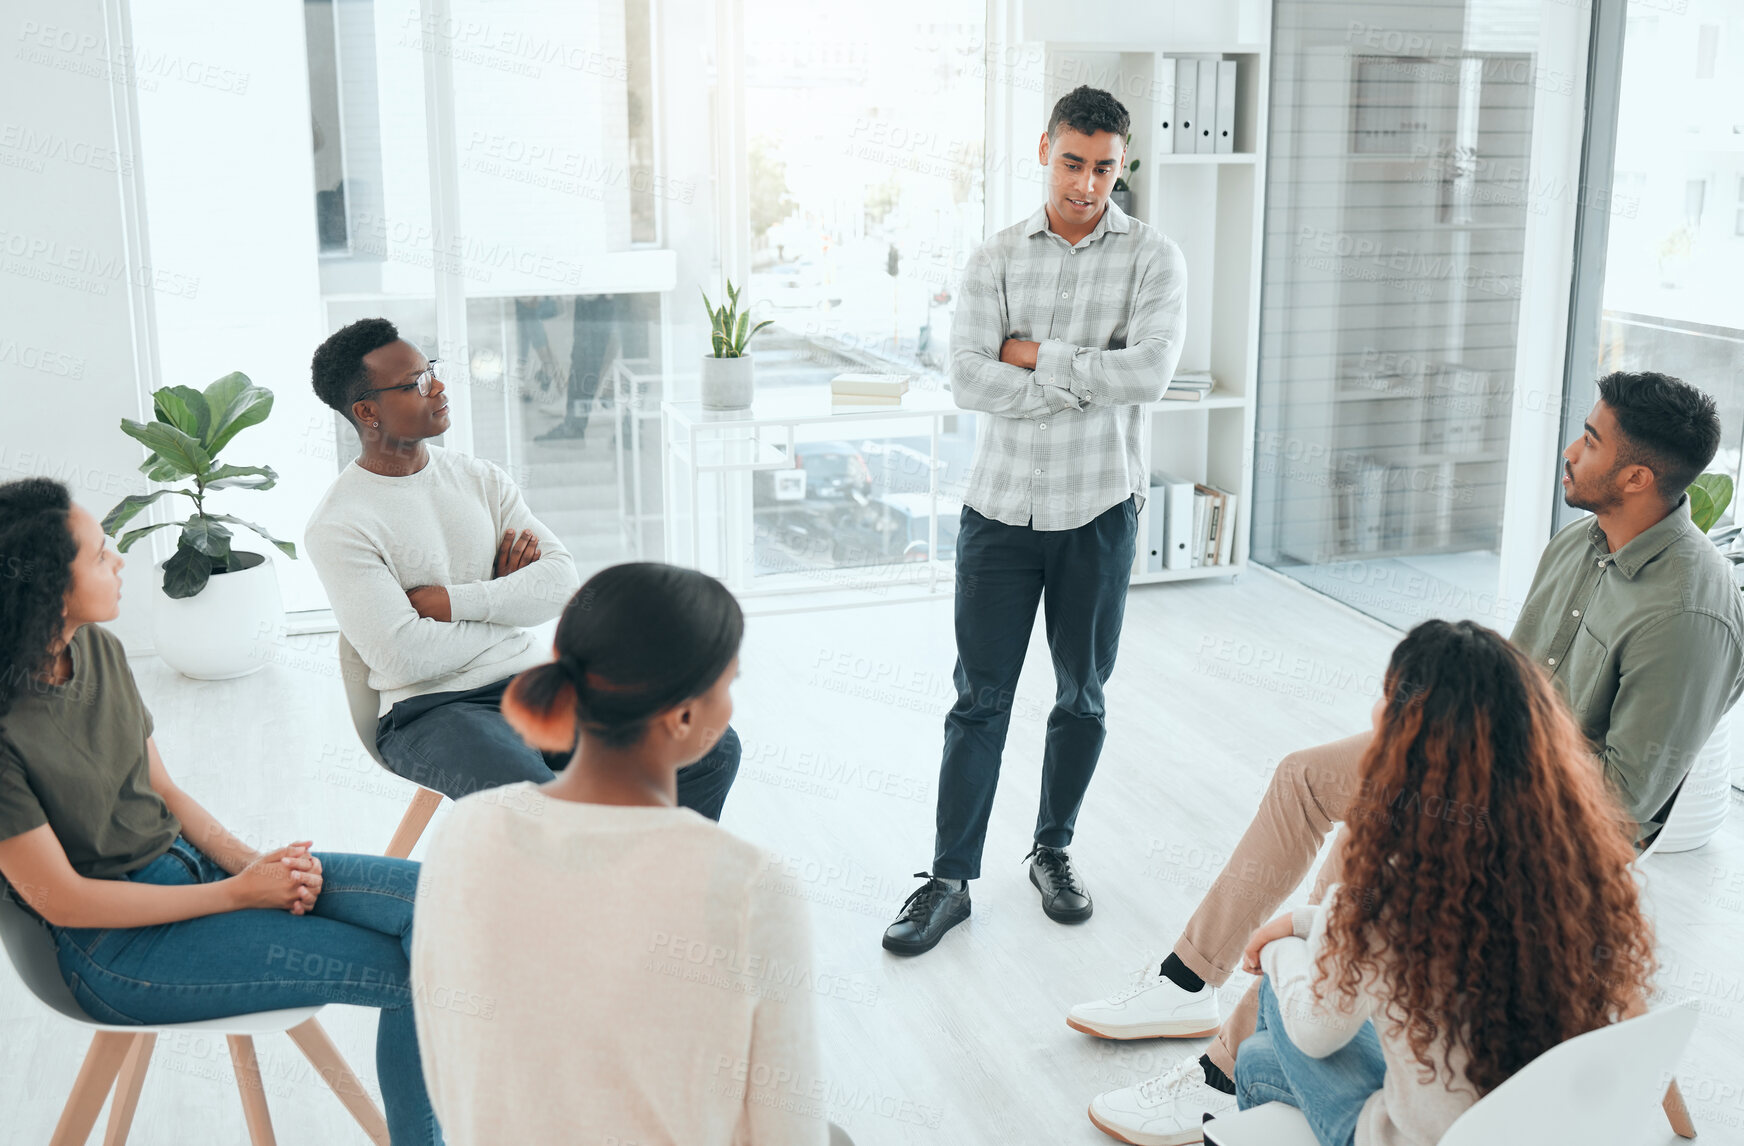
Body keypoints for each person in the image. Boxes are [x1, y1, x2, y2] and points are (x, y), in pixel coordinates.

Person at [1077, 369, 1743, 1143]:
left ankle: (1219, 1072)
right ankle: (1188, 977)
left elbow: (1624, 803)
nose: (1569, 450)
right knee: (1305, 777)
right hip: (1479, 759)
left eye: (1590, 441)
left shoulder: (1691, 613)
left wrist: (1452, 785)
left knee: (1379, 830)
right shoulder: (1579, 543)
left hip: (1544, 822)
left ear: (1636, 476)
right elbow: (1507, 682)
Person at [0, 478, 443, 1145]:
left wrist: (249, 864)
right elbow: (62, 901)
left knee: (439, 902)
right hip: (108, 950)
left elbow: (164, 791)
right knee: (420, 976)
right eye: (97, 556)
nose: (119, 561)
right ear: (44, 590)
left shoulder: (96, 648)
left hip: (194, 873)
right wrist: (237, 895)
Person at [1124, 620, 1654, 1146]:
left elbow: (1315, 1030)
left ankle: (1217, 1075)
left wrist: (1285, 945)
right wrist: (1311, 921)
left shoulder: (1411, 886)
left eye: (1387, 698)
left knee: (1265, 1051)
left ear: (1413, 732)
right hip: (1522, 1123)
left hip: (1410, 1136)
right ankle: (1218, 1070)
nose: (1375, 713)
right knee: (1262, 1051)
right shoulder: (1571, 867)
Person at [883, 85, 1187, 954]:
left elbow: (1151, 376)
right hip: (999, 511)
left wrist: (1033, 359)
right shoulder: (995, 258)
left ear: (1121, 163)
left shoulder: (1156, 261)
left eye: (1104, 168)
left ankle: (1052, 849)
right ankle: (947, 881)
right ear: (1044, 149)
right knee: (978, 699)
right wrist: (1086, 374)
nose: (1087, 185)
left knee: (1082, 697)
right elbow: (970, 379)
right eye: (1072, 163)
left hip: (1098, 508)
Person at [410, 563, 843, 1145]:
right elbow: (790, 1133)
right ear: (686, 715)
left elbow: (448, 1062)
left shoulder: (466, 828)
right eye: (728, 683)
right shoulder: (752, 885)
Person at [305, 317, 740, 816]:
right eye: (417, 383)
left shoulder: (480, 478)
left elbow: (560, 583)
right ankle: (599, 885)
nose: (439, 387)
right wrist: (506, 607)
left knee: (711, 745)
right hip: (433, 710)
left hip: (534, 684)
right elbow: (403, 658)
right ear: (367, 411)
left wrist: (452, 602)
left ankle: (655, 878)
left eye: (433, 371)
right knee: (544, 808)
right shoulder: (340, 525)